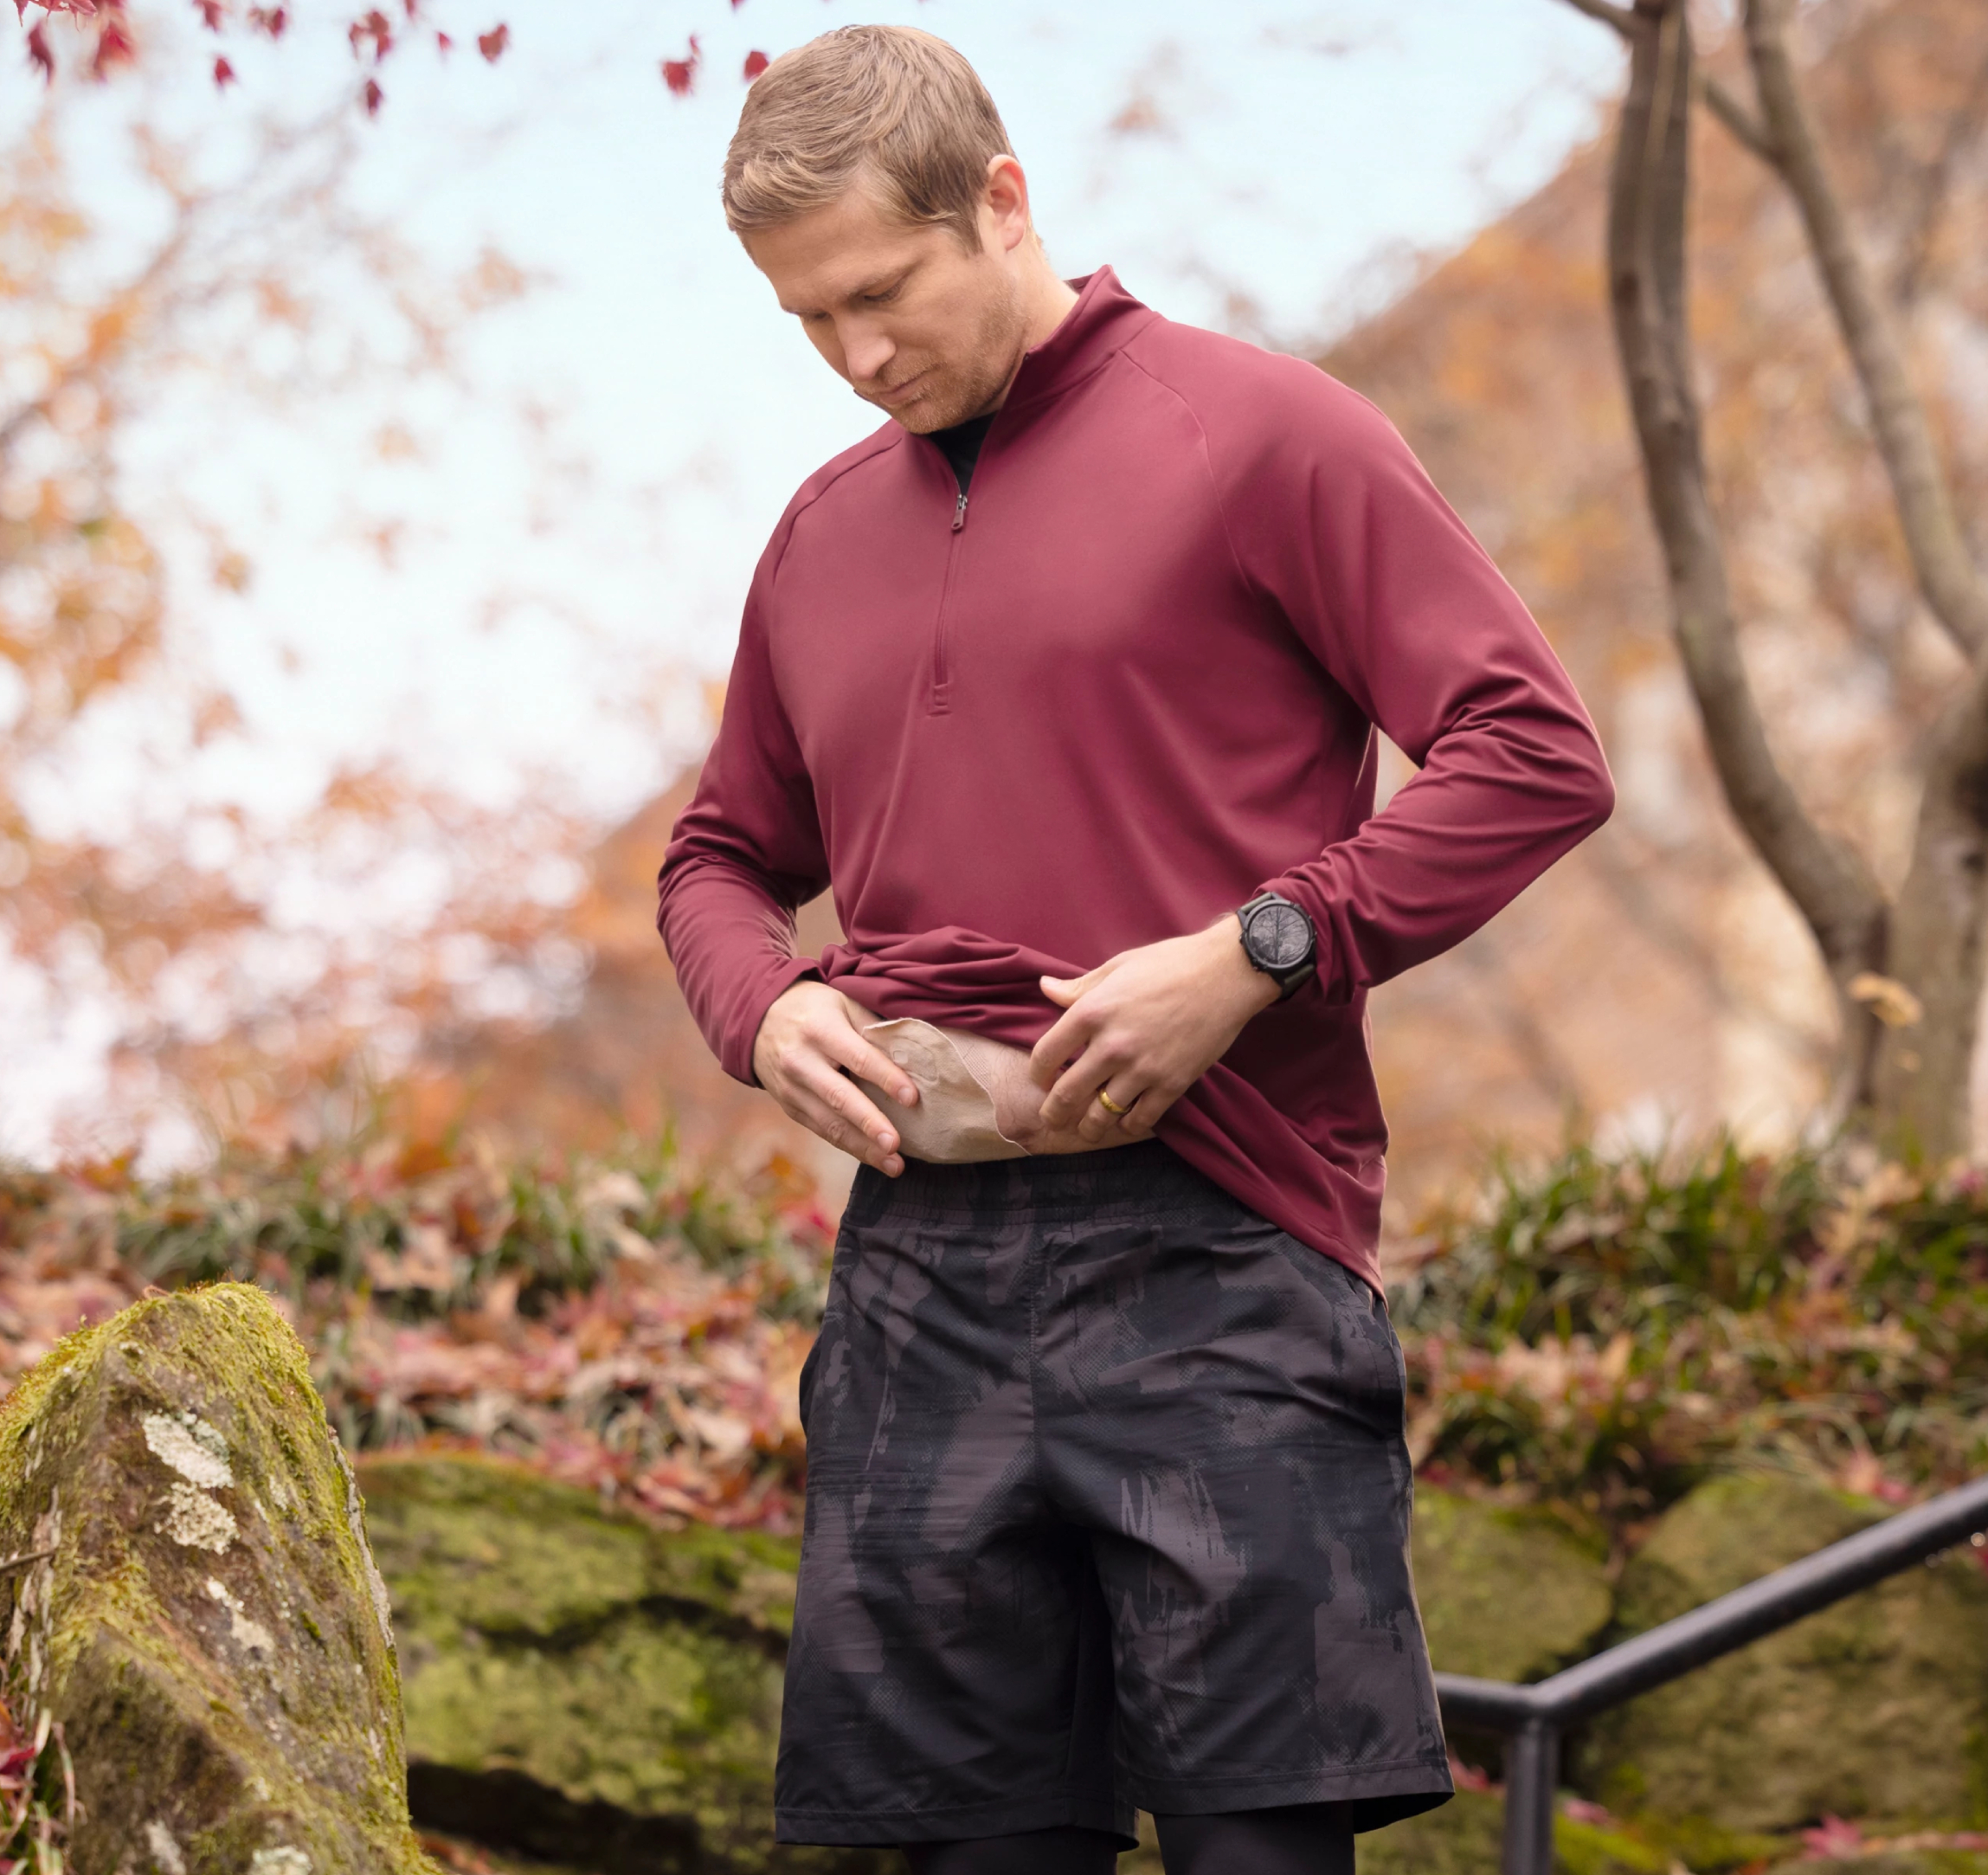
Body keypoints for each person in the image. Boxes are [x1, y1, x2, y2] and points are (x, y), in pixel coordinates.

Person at [658, 26, 1615, 1875]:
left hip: (1226, 1249)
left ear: (1001, 202)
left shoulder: (1261, 432)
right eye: (806, 322)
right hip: (915, 1279)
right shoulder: (816, 538)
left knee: (1260, 1849)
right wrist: (759, 1011)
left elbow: (1530, 755)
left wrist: (1260, 948)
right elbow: (716, 856)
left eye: (880, 291)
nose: (856, 357)